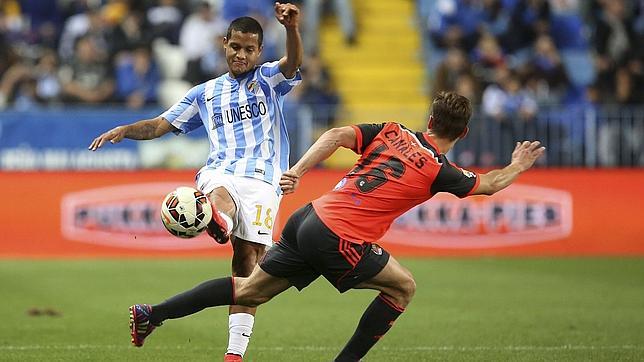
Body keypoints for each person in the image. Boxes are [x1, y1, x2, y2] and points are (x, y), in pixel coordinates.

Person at [124, 91, 545, 361]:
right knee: (403, 287)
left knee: (249, 290)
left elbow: (337, 135)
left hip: (307, 217)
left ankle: (152, 313)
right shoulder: (440, 170)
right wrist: (518, 165)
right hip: (339, 236)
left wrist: (300, 170)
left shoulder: (391, 131)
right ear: (464, 132)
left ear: (429, 118)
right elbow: (489, 185)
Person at [88, 3, 303, 361]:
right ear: (224, 43)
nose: (241, 55)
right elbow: (160, 125)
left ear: (259, 51)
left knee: (247, 268)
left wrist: (292, 30)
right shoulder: (204, 93)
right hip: (221, 171)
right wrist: (125, 130)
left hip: (265, 180)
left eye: (249, 49)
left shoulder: (268, 80)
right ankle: (219, 219)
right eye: (236, 47)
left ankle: (234, 353)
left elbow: (293, 64)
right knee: (220, 194)